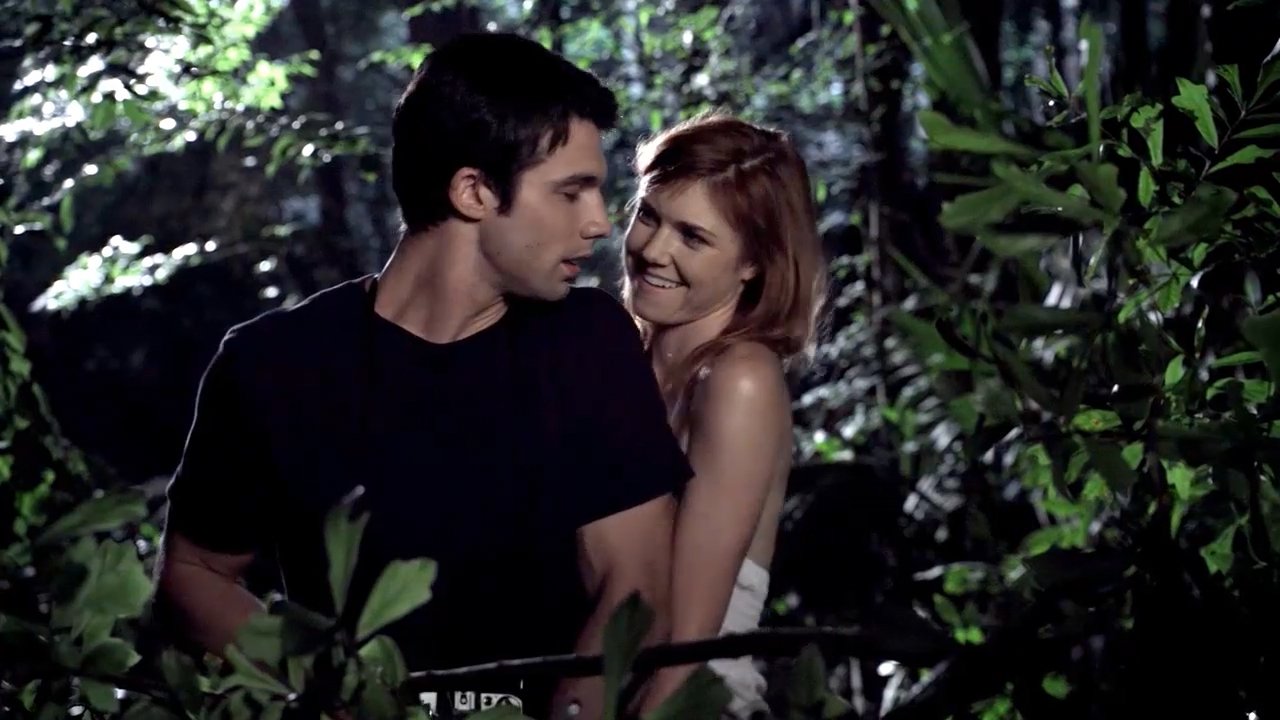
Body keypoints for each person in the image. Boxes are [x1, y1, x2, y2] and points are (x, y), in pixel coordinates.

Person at [156, 32, 691, 719]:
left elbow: (636, 590)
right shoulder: (272, 363)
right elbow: (193, 572)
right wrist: (335, 694)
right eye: (571, 192)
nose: (599, 223)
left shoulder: (585, 342)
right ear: (473, 191)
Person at [622, 113, 828, 719]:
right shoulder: (624, 358)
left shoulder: (740, 379)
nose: (653, 250)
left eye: (692, 237)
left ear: (752, 264)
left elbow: (688, 644)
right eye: (648, 215)